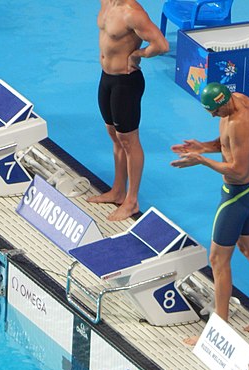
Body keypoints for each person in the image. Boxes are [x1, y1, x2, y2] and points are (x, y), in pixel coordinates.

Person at [171, 83, 249, 344]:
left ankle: (218, 330)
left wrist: (201, 161)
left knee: (218, 260)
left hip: (236, 195)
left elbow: (236, 168)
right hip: (247, 191)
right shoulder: (237, 103)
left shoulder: (240, 121)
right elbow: (227, 144)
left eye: (214, 111)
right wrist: (203, 146)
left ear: (223, 102)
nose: (213, 116)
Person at [87, 0, 169, 221]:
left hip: (126, 83)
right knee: (114, 136)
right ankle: (118, 190)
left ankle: (131, 201)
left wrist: (138, 54)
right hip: (106, 79)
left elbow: (161, 45)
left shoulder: (133, 13)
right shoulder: (106, 2)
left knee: (129, 141)